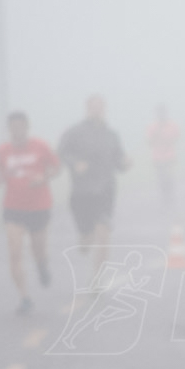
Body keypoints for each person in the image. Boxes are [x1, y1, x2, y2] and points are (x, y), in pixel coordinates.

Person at [58, 95, 129, 282]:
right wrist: (75, 163)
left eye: (100, 107)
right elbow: (61, 152)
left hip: (105, 190)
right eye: (93, 107)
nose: (97, 110)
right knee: (86, 239)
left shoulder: (111, 135)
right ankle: (84, 237)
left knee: (104, 232)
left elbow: (119, 159)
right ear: (87, 109)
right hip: (81, 192)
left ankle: (97, 279)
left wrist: (124, 162)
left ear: (104, 109)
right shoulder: (75, 132)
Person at [0, 111, 60, 316]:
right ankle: (24, 297)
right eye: (13, 127)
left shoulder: (40, 146)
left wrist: (44, 177)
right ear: (9, 129)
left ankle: (42, 266)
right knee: (14, 252)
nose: (17, 130)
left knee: (37, 249)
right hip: (13, 207)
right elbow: (1, 172)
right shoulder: (3, 150)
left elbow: (56, 168)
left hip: (39, 206)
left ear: (27, 127)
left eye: (20, 126)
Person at [147, 103, 181, 206]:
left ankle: (170, 198)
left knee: (170, 177)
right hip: (157, 157)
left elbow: (178, 137)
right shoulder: (152, 127)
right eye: (160, 113)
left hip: (170, 156)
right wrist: (156, 136)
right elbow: (148, 141)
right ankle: (164, 199)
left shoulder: (172, 125)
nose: (162, 115)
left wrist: (170, 140)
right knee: (161, 178)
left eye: (163, 112)